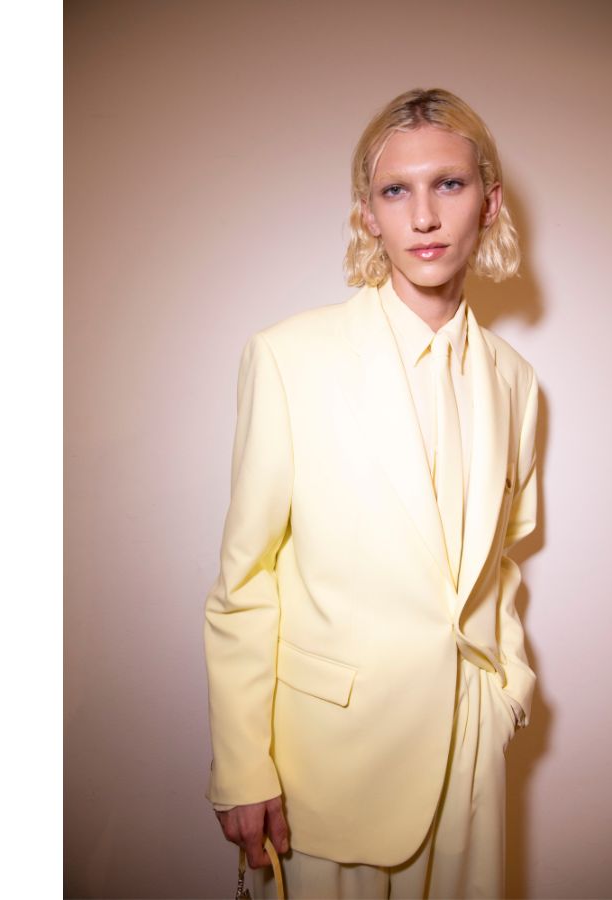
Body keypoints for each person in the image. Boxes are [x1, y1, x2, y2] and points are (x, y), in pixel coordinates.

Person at [203, 87, 540, 899]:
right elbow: (245, 580)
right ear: (368, 215)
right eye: (396, 191)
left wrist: (507, 691)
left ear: (489, 203)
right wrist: (243, 765)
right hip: (330, 764)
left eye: (449, 184)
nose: (423, 216)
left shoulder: (517, 381)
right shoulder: (289, 357)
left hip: (470, 762)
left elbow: (500, 561)